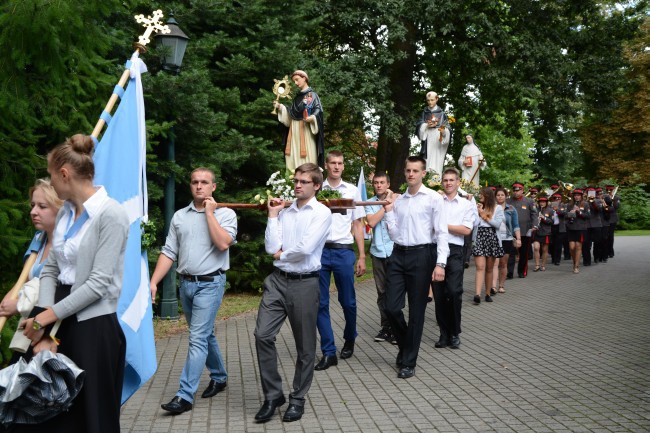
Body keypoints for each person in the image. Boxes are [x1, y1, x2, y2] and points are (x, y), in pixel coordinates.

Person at [20, 134, 129, 433]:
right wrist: (41, 325)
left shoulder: (112, 214)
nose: (51, 183)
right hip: (56, 318)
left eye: (52, 177)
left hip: (92, 326)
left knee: (91, 419)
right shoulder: (67, 212)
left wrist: (45, 318)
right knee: (46, 414)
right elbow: (51, 269)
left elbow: (97, 284)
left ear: (64, 174)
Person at [151, 167, 237, 414]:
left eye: (204, 182)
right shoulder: (180, 216)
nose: (199, 186)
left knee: (197, 338)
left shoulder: (227, 214)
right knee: (205, 334)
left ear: (213, 187)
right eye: (194, 182)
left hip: (210, 284)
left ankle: (184, 396)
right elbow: (169, 252)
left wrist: (210, 213)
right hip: (186, 284)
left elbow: (222, 243)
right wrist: (154, 281)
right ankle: (219, 376)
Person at [253, 163, 331, 423]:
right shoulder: (285, 212)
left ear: (316, 185)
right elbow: (271, 246)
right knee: (262, 334)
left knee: (305, 346)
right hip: (277, 281)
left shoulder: (321, 213)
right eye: (296, 180)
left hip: (305, 283)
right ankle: (274, 394)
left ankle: (297, 398)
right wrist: (273, 215)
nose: (297, 185)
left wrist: (282, 254)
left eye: (304, 181)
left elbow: (305, 248)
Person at [383, 156, 449, 379]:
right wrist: (390, 211)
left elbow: (441, 232)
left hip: (422, 256)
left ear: (423, 174)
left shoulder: (433, 198)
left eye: (415, 170)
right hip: (398, 254)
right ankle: (405, 346)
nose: (411, 174)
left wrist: (440, 263)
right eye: (408, 170)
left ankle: (408, 361)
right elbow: (394, 234)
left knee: (417, 311)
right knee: (390, 307)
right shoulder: (399, 201)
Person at [314, 151, 366, 370]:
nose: (336, 167)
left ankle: (350, 337)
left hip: (344, 251)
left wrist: (362, 255)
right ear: (326, 166)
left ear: (343, 167)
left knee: (348, 301)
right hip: (320, 252)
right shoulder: (317, 191)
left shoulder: (352, 191)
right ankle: (328, 351)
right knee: (320, 303)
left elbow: (357, 224)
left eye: (340, 163)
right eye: (333, 163)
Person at [0, 179, 63, 319]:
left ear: (60, 208)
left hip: (52, 326)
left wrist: (18, 305)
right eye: (33, 205)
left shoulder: (67, 247)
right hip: (30, 323)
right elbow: (25, 280)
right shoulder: (39, 238)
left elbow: (60, 295)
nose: (33, 212)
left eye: (42, 206)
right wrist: (7, 301)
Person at [432, 168, 475, 349]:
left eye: (452, 180)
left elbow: (466, 230)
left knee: (454, 292)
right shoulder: (435, 201)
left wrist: (442, 226)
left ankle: (455, 332)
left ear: (458, 183)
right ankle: (444, 334)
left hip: (455, 250)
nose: (448, 183)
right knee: (439, 295)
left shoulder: (466, 204)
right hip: (435, 250)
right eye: (445, 180)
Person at [364, 172, 395, 344]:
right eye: (376, 182)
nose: (378, 185)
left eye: (382, 182)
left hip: (394, 252)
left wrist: (392, 201)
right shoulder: (370, 202)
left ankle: (396, 326)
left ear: (388, 183)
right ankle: (386, 327)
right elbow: (372, 222)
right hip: (377, 253)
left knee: (395, 291)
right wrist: (386, 205)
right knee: (381, 292)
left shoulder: (398, 199)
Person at [274, 70, 325, 171]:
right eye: (294, 81)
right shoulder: (297, 98)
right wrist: (281, 107)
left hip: (305, 130)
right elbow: (291, 115)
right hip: (293, 132)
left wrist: (312, 117)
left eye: (297, 80)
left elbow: (318, 110)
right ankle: (291, 180)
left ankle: (308, 178)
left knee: (306, 158)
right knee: (293, 155)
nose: (296, 83)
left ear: (304, 78)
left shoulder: (312, 95)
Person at [472, 187, 504, 304]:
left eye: (481, 194)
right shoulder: (478, 207)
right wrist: (476, 212)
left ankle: (487, 293)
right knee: (480, 267)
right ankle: (477, 295)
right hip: (479, 237)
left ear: (487, 195)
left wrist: (483, 214)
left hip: (492, 238)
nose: (479, 196)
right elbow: (474, 224)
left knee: (489, 268)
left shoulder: (497, 208)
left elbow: (497, 224)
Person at [507, 182, 538, 278]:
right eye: (514, 190)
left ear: (522, 190)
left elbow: (534, 214)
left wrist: (535, 225)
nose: (516, 192)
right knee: (511, 253)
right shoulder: (508, 201)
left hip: (525, 230)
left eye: (518, 190)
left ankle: (522, 271)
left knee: (524, 253)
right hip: (511, 231)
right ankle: (509, 273)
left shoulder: (529, 201)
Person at [493, 188, 520, 294]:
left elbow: (516, 225)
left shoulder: (511, 209)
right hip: (494, 238)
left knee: (503, 263)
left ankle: (501, 285)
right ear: (495, 197)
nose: (500, 197)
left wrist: (518, 239)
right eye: (498, 195)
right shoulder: (491, 208)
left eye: (502, 195)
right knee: (494, 263)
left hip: (507, 238)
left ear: (506, 196)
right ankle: (493, 286)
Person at [416, 91, 451, 175]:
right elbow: (419, 125)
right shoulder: (424, 113)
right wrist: (426, 125)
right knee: (426, 162)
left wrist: (444, 131)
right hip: (427, 139)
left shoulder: (442, 114)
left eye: (432, 100)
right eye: (428, 100)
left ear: (437, 99)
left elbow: (448, 128)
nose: (430, 102)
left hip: (437, 140)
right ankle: (426, 179)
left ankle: (436, 181)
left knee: (436, 162)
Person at [566, 189, 590, 274]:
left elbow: (588, 215)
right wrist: (570, 213)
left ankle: (576, 266)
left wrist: (579, 211)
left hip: (581, 228)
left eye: (578, 195)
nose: (576, 197)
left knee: (578, 246)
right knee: (572, 247)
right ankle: (574, 262)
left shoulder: (585, 204)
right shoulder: (569, 205)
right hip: (571, 228)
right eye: (575, 195)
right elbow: (565, 215)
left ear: (581, 196)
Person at [532, 196, 553, 271]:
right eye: (540, 202)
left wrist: (544, 218)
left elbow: (552, 222)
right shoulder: (535, 210)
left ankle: (543, 265)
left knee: (544, 250)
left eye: (544, 202)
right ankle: (537, 264)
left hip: (546, 232)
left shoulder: (550, 210)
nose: (542, 203)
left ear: (546, 203)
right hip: (537, 231)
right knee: (536, 248)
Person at [549, 193, 568, 266]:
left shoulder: (563, 206)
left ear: (561, 199)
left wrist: (557, 210)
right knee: (551, 244)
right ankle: (553, 258)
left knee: (558, 244)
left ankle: (557, 260)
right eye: (555, 198)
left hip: (560, 227)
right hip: (551, 227)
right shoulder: (549, 206)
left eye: (558, 198)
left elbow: (564, 214)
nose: (557, 200)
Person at [604, 185, 620, 258]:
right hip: (604, 218)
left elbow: (616, 207)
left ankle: (610, 251)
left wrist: (612, 200)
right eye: (607, 190)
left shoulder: (616, 198)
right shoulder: (603, 197)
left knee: (610, 236)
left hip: (612, 219)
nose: (609, 192)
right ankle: (605, 251)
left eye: (610, 190)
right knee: (605, 236)